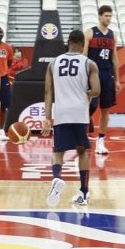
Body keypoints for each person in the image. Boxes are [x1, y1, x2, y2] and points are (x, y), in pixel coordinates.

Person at [43, 29, 101, 206]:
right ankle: (83, 192)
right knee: (82, 151)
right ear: (83, 44)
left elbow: (47, 92)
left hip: (61, 112)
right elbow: (97, 91)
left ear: (68, 43)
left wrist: (47, 118)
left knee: (58, 151)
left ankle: (56, 179)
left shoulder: (53, 63)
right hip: (79, 112)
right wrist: (85, 93)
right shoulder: (89, 63)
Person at [84, 5, 121, 154]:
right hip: (93, 73)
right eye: (106, 16)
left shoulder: (113, 35)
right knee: (87, 106)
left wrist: (117, 79)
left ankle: (101, 140)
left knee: (106, 109)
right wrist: (84, 76)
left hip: (107, 74)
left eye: (110, 16)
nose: (108, 18)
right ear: (99, 16)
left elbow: (115, 59)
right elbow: (84, 57)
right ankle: (82, 137)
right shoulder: (90, 32)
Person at [0, 26, 14, 141]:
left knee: (4, 107)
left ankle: (1, 131)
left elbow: (9, 63)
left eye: (1, 32)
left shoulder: (8, 48)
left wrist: (3, 71)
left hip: (3, 78)